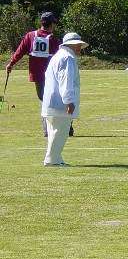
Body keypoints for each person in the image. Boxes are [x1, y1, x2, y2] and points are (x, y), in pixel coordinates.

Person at [5, 11, 62, 136]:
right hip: (52, 75)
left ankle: (47, 129)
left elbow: (19, 51)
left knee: (44, 100)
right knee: (56, 100)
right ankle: (63, 126)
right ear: (51, 24)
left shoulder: (31, 36)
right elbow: (60, 57)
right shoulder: (53, 39)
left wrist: (11, 64)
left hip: (38, 75)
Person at [41, 32, 88, 166]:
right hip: (60, 102)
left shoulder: (58, 56)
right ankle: (52, 160)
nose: (79, 47)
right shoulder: (67, 58)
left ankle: (56, 158)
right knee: (59, 132)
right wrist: (69, 101)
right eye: (76, 44)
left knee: (54, 132)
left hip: (51, 101)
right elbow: (65, 81)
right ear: (68, 45)